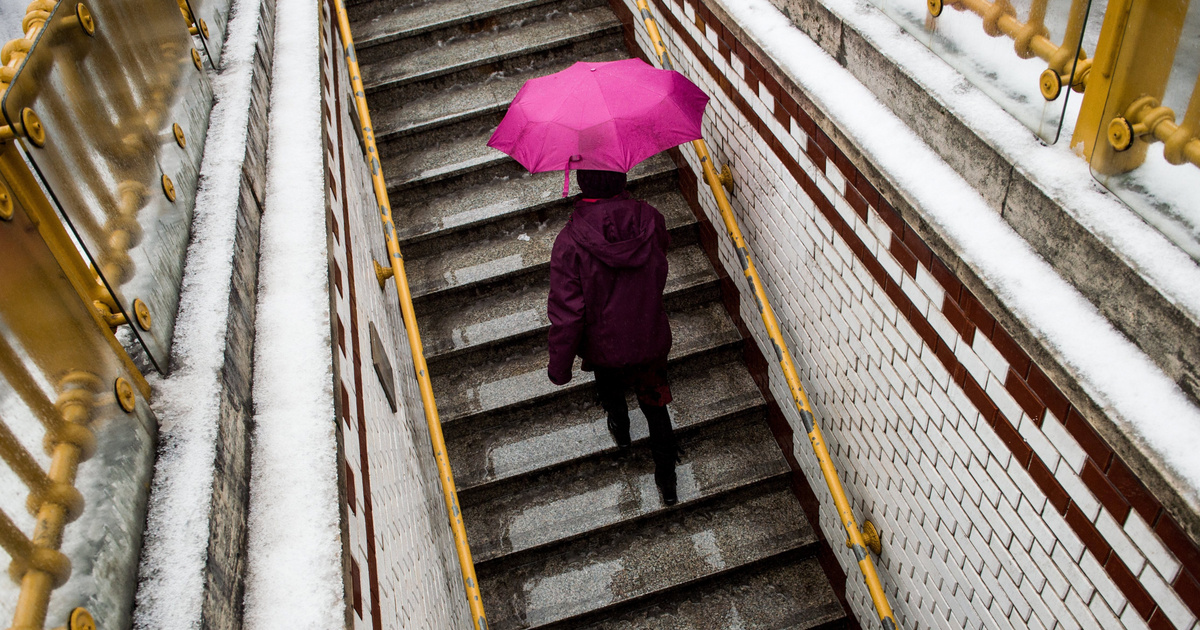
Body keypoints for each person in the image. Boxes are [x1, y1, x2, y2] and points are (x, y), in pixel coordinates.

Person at [546, 169, 682, 506]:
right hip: (649, 338)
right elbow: (661, 255)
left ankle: (621, 431)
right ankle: (668, 483)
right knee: (656, 409)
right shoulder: (651, 218)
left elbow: (568, 313)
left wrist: (559, 367)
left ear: (582, 183)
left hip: (604, 346)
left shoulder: (569, 242)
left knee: (610, 390)